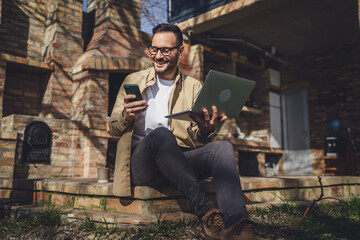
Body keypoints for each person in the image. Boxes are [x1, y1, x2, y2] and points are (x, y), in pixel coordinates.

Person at [109, 23, 267, 240]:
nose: (158, 56)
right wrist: (125, 116)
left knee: (222, 148)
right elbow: (113, 129)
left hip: (179, 161)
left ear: (180, 51)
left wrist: (206, 130)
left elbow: (198, 136)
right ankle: (207, 212)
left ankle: (238, 224)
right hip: (143, 164)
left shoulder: (194, 86)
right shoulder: (133, 81)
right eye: (154, 49)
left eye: (166, 50)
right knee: (161, 134)